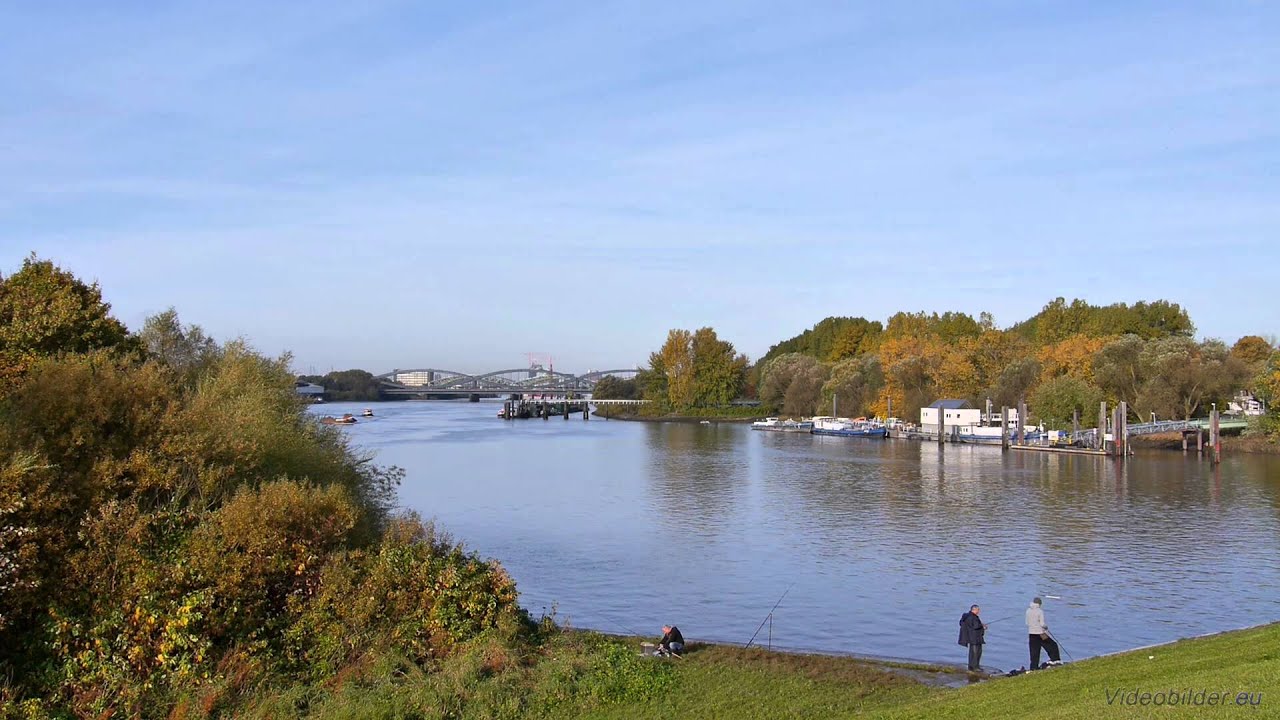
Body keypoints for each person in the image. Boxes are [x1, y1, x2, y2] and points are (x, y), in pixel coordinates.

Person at [1026, 597, 1062, 669]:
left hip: (1031, 634)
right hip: (1041, 634)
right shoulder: (1040, 611)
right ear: (1039, 604)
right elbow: (1042, 624)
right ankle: (1055, 660)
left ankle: (1033, 668)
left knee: (1034, 652)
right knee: (1052, 645)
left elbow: (1027, 623)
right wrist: (1046, 627)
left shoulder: (1028, 611)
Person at [957, 604, 987, 672]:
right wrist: (983, 627)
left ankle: (971, 666)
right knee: (976, 653)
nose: (979, 611)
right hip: (975, 638)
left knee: (972, 653)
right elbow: (976, 626)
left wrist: (981, 625)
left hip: (971, 637)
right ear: (974, 610)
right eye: (978, 610)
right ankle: (975, 667)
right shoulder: (973, 617)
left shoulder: (966, 616)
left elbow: (968, 625)